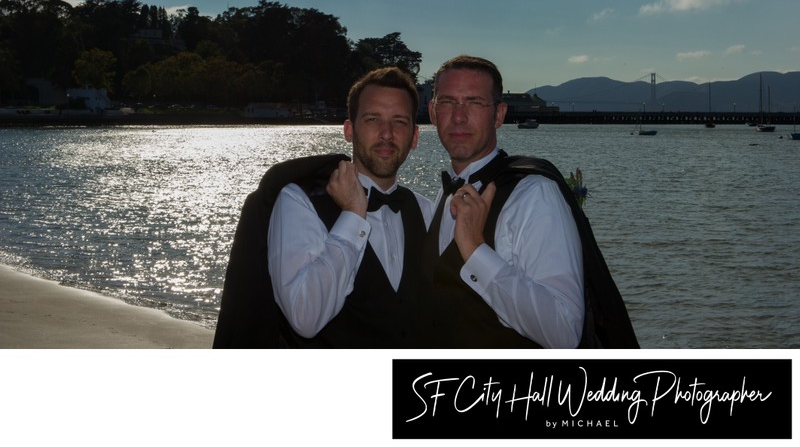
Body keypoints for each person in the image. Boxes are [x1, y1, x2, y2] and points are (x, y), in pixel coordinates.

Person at [213, 66, 434, 348]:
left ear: (415, 137)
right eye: (372, 119)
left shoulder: (425, 211)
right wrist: (353, 216)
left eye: (399, 122)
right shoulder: (298, 200)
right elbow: (305, 319)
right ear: (349, 130)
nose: (387, 133)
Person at [427, 55, 638, 349]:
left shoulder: (535, 195)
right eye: (448, 102)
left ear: (499, 115)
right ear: (433, 112)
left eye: (474, 102)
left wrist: (476, 250)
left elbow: (564, 333)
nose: (459, 116)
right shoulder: (439, 196)